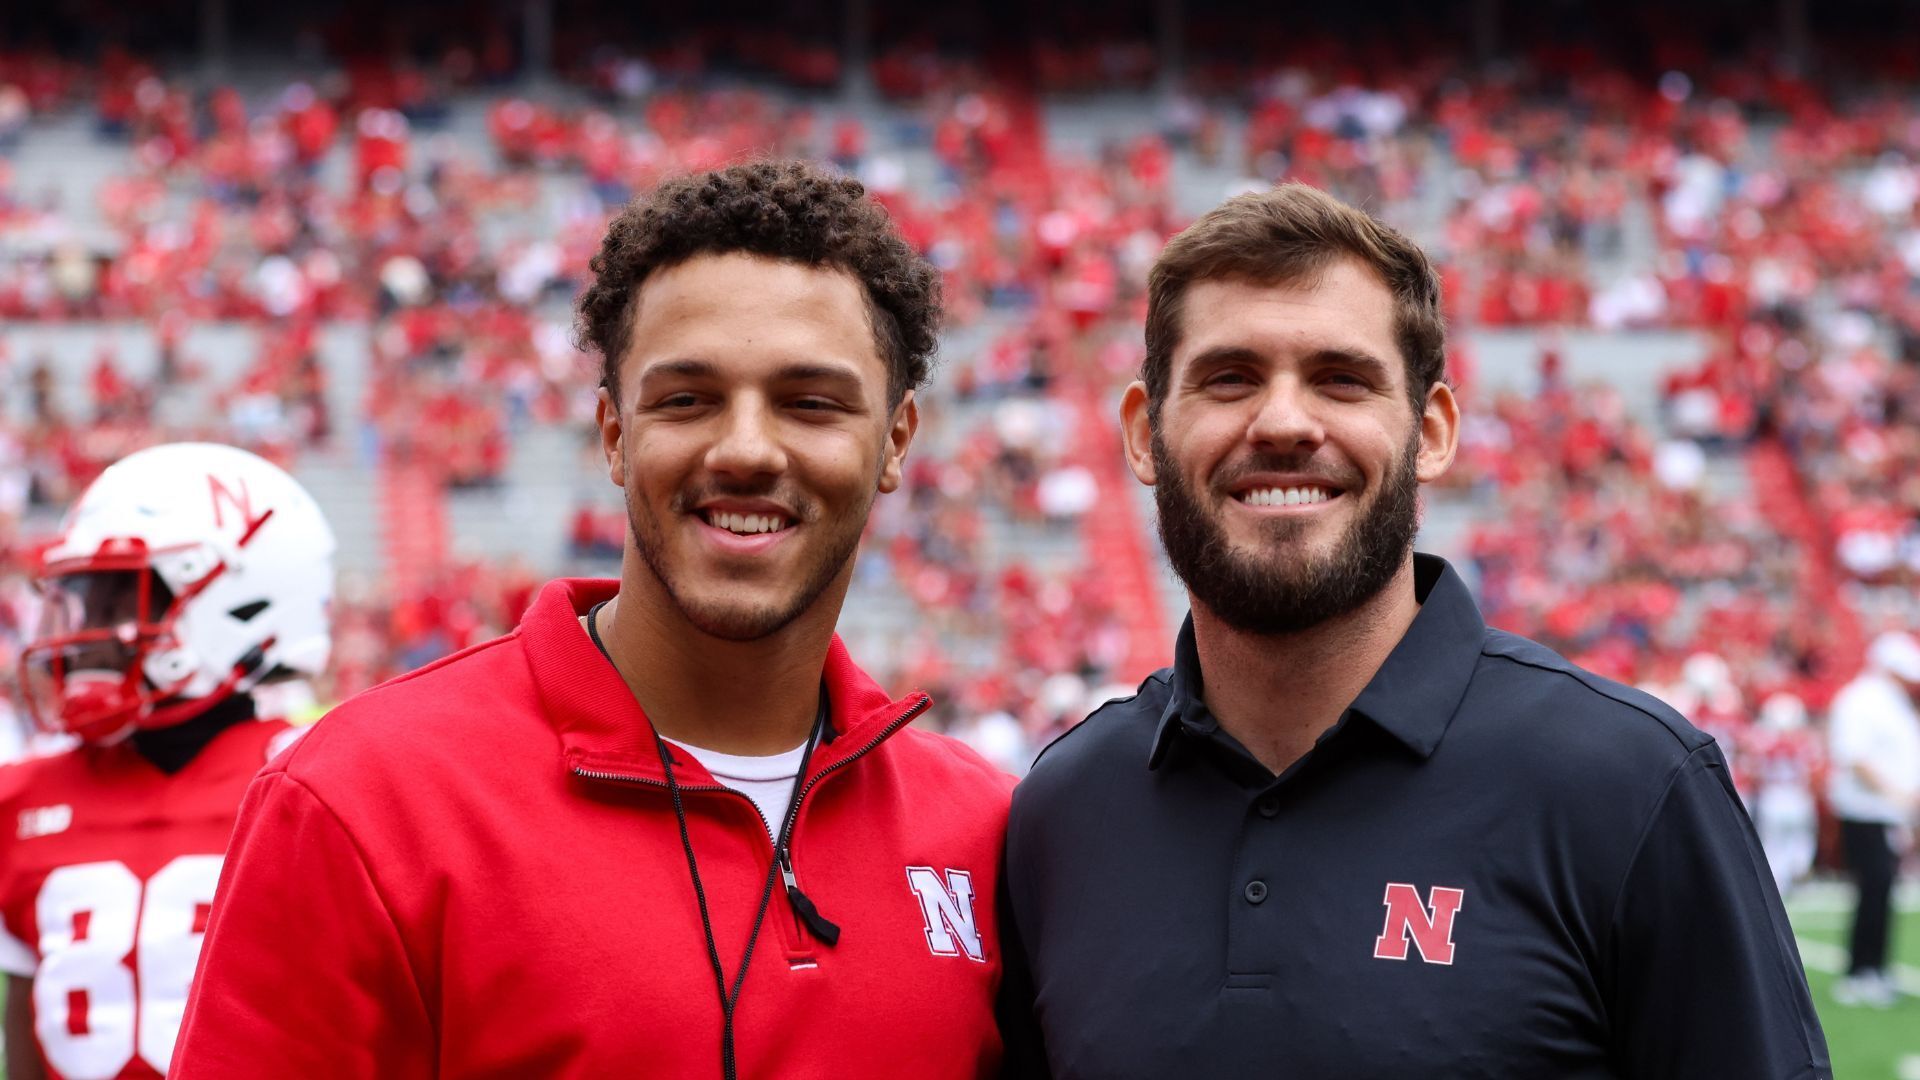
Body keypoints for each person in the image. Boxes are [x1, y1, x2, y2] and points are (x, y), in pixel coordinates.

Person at [172, 161, 1015, 1079]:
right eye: (686, 399)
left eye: (810, 403)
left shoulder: (987, 828)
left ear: (895, 441)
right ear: (614, 434)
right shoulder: (362, 801)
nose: (743, 450)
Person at [1000, 184, 1829, 1078]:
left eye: (1341, 379)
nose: (1283, 422)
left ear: (1430, 433)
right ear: (1143, 433)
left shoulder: (1631, 788)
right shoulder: (1065, 810)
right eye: (1230, 377)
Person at [0, 442, 334, 1080]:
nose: (90, 630)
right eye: (86, 600)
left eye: (122, 599)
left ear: (242, 604)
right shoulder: (22, 801)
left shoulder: (320, 781)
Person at [1826, 631, 1920, 1009]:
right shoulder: (1861, 700)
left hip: (1887, 811)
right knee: (1873, 886)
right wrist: (1895, 794)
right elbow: (1856, 756)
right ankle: (1860, 971)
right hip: (1867, 811)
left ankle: (1874, 968)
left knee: (1882, 889)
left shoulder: (1891, 702)